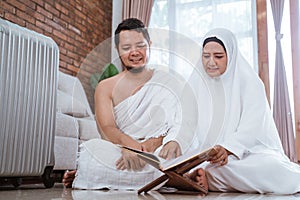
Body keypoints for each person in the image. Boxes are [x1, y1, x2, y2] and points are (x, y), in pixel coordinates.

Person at [63, 18, 196, 189]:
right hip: (120, 149)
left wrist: (148, 147)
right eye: (126, 48)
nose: (134, 52)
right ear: (117, 49)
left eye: (140, 45)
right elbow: (107, 128)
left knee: (176, 150)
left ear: (150, 44)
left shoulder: (167, 81)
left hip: (157, 149)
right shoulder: (105, 87)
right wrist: (129, 147)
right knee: (92, 150)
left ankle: (94, 176)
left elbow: (177, 124)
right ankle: (176, 178)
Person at [188, 28, 300, 194]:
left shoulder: (250, 83)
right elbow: (187, 124)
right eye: (206, 56)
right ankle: (201, 176)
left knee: (271, 167)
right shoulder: (196, 84)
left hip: (250, 154)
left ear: (231, 56)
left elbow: (252, 129)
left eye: (218, 56)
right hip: (211, 159)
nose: (211, 62)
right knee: (202, 166)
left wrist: (227, 149)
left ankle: (201, 179)